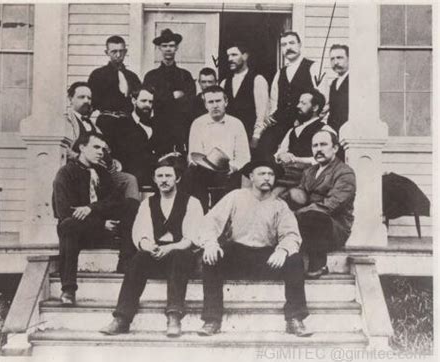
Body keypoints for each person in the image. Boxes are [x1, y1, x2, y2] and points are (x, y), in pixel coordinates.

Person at [196, 160, 310, 337]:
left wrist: (283, 250)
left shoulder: (279, 205)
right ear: (251, 177)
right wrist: (210, 243)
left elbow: (292, 234)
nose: (266, 178)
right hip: (237, 256)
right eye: (261, 173)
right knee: (211, 256)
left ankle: (295, 319)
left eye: (270, 174)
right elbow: (210, 221)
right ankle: (212, 319)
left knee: (295, 260)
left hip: (266, 259)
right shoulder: (236, 196)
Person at [100, 155, 204, 337]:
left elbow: (191, 238)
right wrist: (149, 247)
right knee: (138, 258)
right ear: (155, 179)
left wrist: (170, 248)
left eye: (168, 176)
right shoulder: (148, 203)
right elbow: (141, 233)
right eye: (160, 176)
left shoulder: (192, 202)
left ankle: (174, 316)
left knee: (180, 256)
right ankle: (122, 318)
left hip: (181, 253)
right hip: (156, 253)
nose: (164, 180)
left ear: (177, 178)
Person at [52, 133, 138, 304]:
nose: (101, 152)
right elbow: (63, 211)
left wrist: (90, 208)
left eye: (103, 149)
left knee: (131, 205)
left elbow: (114, 200)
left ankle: (125, 261)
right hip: (81, 232)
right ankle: (68, 289)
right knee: (67, 225)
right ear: (82, 148)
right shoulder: (66, 173)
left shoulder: (101, 171)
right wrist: (101, 224)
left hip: (104, 230)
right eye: (96, 147)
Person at [65, 82, 140, 272]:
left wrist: (112, 160)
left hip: (101, 170)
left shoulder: (92, 122)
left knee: (128, 179)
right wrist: (82, 157)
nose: (86, 101)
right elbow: (65, 149)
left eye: (89, 98)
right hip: (79, 169)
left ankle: (129, 228)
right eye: (81, 97)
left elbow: (103, 148)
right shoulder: (65, 121)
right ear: (70, 99)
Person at [290, 130, 356, 278]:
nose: (318, 149)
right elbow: (301, 195)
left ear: (335, 148)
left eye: (323, 144)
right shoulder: (309, 172)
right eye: (315, 146)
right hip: (306, 220)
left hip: (334, 227)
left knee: (315, 216)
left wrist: (298, 214)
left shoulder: (344, 173)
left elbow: (331, 205)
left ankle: (318, 265)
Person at [258, 31, 328, 160]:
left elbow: (322, 101)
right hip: (281, 123)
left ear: (300, 45)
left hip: (305, 122)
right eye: (284, 44)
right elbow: (274, 102)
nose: (288, 47)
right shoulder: (280, 72)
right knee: (264, 149)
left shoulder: (314, 67)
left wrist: (310, 123)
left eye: (292, 43)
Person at [184, 85, 250, 211]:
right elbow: (194, 154)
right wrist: (206, 167)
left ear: (226, 102)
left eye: (218, 101)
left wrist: (233, 167)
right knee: (190, 176)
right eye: (211, 102)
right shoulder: (198, 123)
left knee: (230, 193)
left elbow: (244, 156)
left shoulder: (236, 124)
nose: (215, 105)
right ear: (205, 105)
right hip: (204, 171)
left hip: (229, 172)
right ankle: (199, 216)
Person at [104, 85, 178, 187]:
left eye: (150, 102)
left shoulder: (160, 125)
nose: (147, 105)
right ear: (134, 101)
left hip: (159, 177)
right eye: (143, 101)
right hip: (133, 178)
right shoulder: (121, 125)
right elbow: (118, 155)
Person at [143, 29, 196, 151]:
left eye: (171, 46)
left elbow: (190, 102)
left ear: (176, 48)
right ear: (159, 48)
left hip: (181, 129)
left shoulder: (185, 75)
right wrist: (173, 96)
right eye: (164, 46)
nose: (168, 49)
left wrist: (162, 98)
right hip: (158, 128)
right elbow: (148, 101)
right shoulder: (151, 76)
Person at [273, 89, 335, 193]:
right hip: (287, 174)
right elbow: (279, 153)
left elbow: (327, 159)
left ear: (315, 107)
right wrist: (281, 156)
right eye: (299, 102)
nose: (298, 106)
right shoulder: (293, 130)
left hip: (310, 179)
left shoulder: (325, 130)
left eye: (303, 103)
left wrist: (297, 159)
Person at [221, 41, 269, 149]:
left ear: (245, 56)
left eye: (234, 55)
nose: (230, 59)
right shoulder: (224, 82)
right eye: (228, 56)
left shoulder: (257, 80)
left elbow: (262, 114)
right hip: (228, 138)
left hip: (249, 138)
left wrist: (255, 137)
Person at [88, 35, 141, 128]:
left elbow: (141, 102)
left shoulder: (132, 77)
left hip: (128, 124)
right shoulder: (98, 75)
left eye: (121, 51)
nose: (118, 55)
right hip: (106, 123)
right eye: (114, 51)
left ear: (125, 52)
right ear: (107, 52)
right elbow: (90, 103)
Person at [327, 44, 349, 161]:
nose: (336, 62)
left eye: (340, 58)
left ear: (349, 59)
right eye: (332, 59)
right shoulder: (334, 83)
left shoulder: (354, 80)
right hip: (335, 136)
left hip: (348, 136)